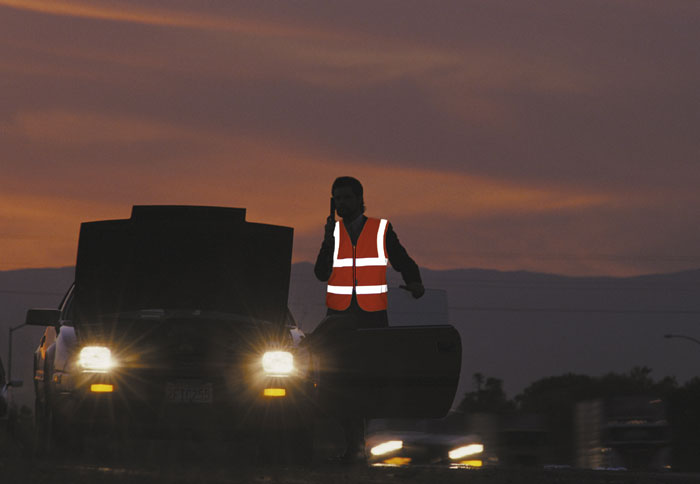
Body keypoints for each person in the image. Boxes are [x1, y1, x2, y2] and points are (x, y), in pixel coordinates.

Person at [312, 176, 425, 463]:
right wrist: (327, 241)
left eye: (346, 198)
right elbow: (321, 273)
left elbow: (402, 259)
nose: (341, 204)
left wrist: (415, 283)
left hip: (370, 319)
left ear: (360, 200)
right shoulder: (333, 233)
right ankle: (351, 445)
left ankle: (356, 446)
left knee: (365, 384)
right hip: (338, 320)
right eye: (337, 198)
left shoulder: (380, 230)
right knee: (336, 383)